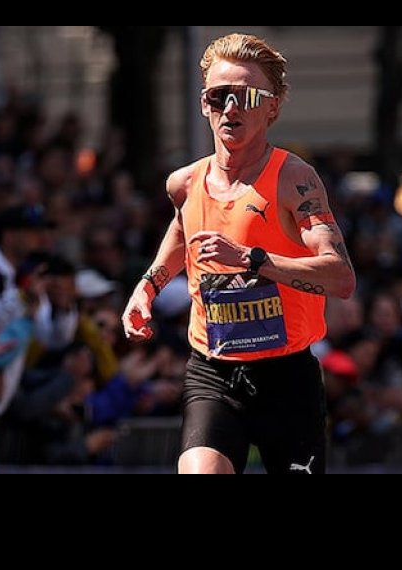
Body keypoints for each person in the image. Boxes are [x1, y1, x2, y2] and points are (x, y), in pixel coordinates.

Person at [122, 33, 356, 475]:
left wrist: (253, 260)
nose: (231, 108)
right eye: (219, 95)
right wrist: (147, 287)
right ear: (204, 103)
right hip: (213, 371)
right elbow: (183, 230)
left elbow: (340, 278)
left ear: (273, 107)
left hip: (287, 377)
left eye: (246, 96)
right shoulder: (184, 184)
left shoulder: (294, 179)